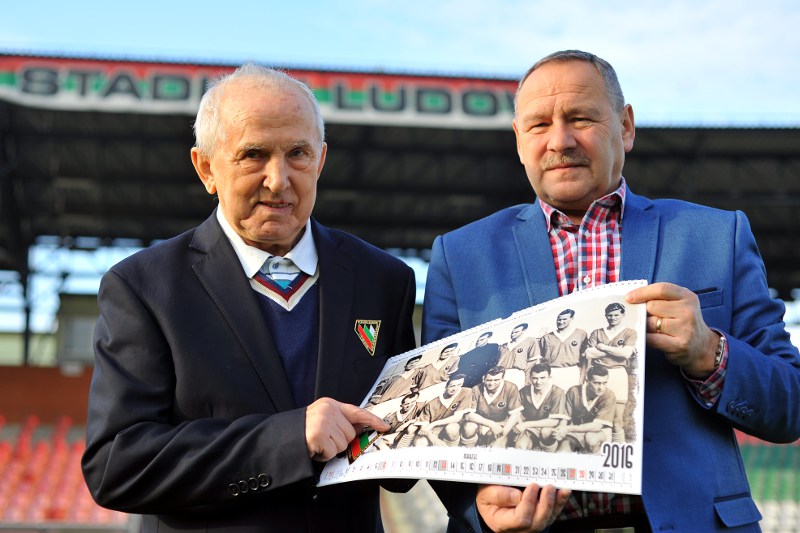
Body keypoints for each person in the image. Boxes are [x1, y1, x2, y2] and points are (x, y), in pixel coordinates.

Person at [422, 49, 800, 532]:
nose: (560, 140)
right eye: (539, 125)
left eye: (580, 118)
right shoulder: (459, 256)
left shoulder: (715, 236)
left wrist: (709, 352)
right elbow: (435, 417)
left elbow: (790, 405)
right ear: (518, 140)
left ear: (625, 126)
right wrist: (478, 506)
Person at [81, 64, 417, 533]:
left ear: (320, 160)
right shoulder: (143, 287)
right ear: (206, 168)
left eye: (297, 154)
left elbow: (401, 467)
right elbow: (118, 466)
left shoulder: (384, 279)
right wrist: (289, 440)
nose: (278, 180)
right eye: (253, 155)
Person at [584, 302, 637, 442]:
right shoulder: (597, 332)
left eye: (616, 315)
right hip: (598, 374)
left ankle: (618, 449)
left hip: (618, 374)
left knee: (617, 420)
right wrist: (616, 351)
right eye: (610, 315)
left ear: (623, 315)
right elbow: (589, 354)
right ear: (606, 316)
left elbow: (626, 354)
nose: (612, 318)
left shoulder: (629, 332)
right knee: (597, 418)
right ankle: (597, 449)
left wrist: (603, 347)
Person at [555, 365, 615, 454]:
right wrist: (561, 429)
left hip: (598, 432)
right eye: (597, 383)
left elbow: (597, 426)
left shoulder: (609, 396)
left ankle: (597, 456)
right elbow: (565, 417)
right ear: (587, 381)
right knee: (561, 452)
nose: (601, 387)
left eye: (604, 383)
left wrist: (567, 429)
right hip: (575, 430)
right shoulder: (574, 391)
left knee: (591, 441)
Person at [461, 366, 523, 447]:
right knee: (469, 428)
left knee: (496, 446)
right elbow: (468, 415)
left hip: (502, 424)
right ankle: (469, 449)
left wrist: (502, 433)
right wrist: (492, 425)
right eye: (488, 380)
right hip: (481, 422)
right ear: (483, 378)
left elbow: (515, 414)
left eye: (496, 380)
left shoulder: (511, 387)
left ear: (502, 378)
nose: (491, 383)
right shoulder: (476, 389)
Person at [512, 363, 567, 452]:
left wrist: (525, 424)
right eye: (535, 378)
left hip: (547, 428)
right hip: (529, 429)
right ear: (530, 378)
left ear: (549, 377)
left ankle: (548, 453)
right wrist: (521, 426)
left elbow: (554, 421)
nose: (538, 382)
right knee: (520, 446)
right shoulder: (524, 391)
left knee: (545, 432)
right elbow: (517, 413)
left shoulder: (557, 392)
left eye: (542, 378)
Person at [413, 374, 475, 447]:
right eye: (452, 386)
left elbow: (457, 417)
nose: (455, 389)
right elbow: (424, 426)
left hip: (449, 426)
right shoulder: (433, 401)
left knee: (452, 428)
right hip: (432, 430)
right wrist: (434, 440)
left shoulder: (466, 392)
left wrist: (434, 424)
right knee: (420, 442)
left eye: (459, 385)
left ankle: (450, 449)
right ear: (445, 386)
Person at [538, 309, 587, 389]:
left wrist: (582, 376)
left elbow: (584, 358)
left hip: (572, 371)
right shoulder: (547, 337)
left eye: (564, 319)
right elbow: (540, 360)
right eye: (559, 319)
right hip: (552, 372)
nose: (561, 322)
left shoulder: (581, 334)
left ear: (572, 318)